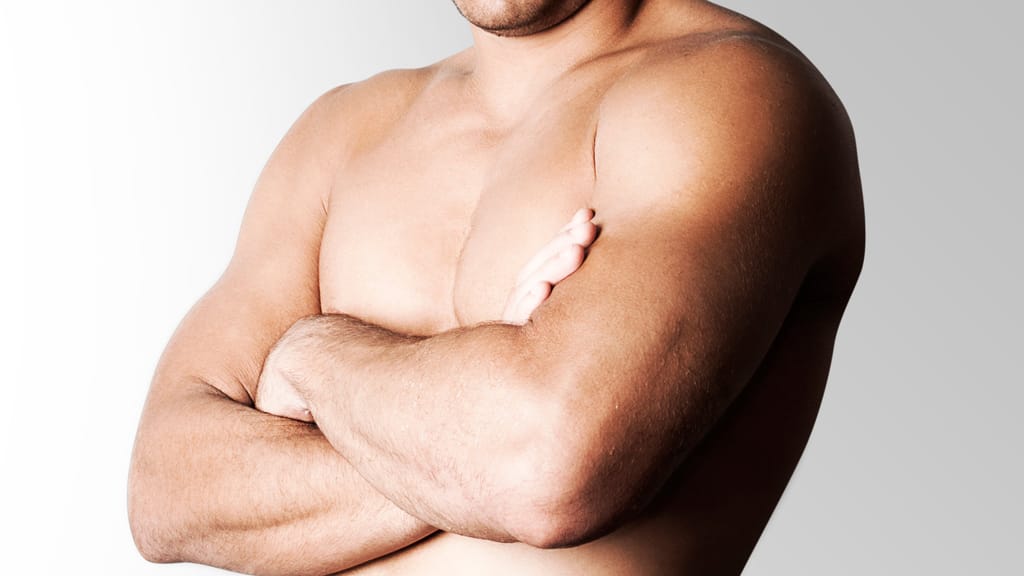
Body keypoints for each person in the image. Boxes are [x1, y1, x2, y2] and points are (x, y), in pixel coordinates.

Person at [127, 0, 864, 574]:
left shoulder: (729, 89)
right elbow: (166, 491)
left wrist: (312, 357)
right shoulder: (343, 131)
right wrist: (465, 452)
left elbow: (545, 472)